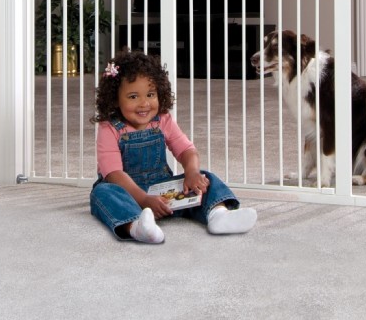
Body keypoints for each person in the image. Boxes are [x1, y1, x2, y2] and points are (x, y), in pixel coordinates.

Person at [89, 49, 257, 243]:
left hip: (163, 190)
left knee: (205, 177)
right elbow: (114, 174)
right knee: (103, 193)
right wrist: (143, 200)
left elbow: (186, 150)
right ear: (115, 98)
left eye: (150, 94)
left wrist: (192, 172)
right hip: (128, 192)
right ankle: (136, 227)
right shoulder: (109, 127)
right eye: (133, 97)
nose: (144, 103)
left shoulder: (163, 120)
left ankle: (217, 215)